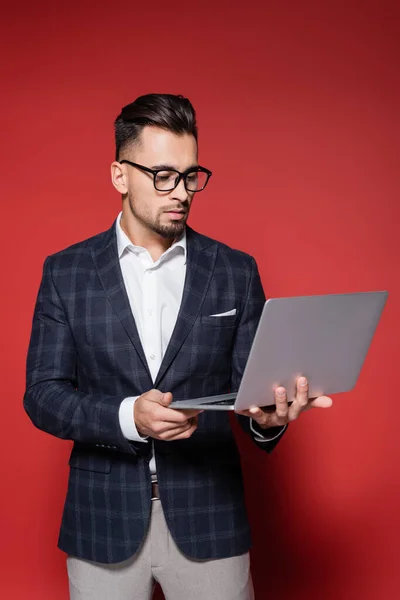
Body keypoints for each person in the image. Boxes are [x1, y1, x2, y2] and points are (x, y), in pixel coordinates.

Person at [24, 93, 332, 600]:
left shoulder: (234, 270)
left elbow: (248, 393)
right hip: (102, 519)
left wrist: (266, 419)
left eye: (191, 176)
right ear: (120, 175)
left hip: (210, 517)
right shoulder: (66, 272)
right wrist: (129, 417)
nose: (182, 192)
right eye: (163, 175)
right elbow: (42, 394)